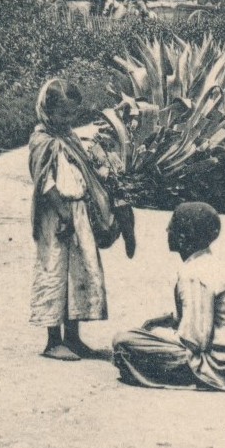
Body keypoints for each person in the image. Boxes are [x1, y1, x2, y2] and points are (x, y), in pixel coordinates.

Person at [112, 202, 225, 393]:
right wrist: (166, 320)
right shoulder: (210, 264)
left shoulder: (194, 273)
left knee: (124, 341)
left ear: (182, 238)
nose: (166, 230)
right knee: (138, 338)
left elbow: (194, 341)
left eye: (171, 226)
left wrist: (156, 335)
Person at [29, 78, 136, 361]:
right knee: (55, 271)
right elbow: (45, 183)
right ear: (47, 110)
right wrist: (63, 214)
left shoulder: (69, 137)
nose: (67, 120)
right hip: (56, 216)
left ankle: (73, 338)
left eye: (71, 114)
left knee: (79, 271)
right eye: (62, 114)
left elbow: (84, 171)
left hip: (78, 214)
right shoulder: (41, 140)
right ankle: (53, 341)